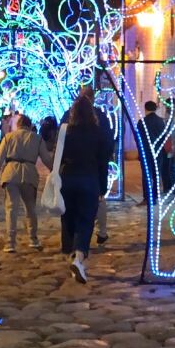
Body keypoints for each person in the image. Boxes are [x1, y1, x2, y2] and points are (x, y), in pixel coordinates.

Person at [59, 94, 112, 283]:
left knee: (68, 217)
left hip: (68, 178)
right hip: (89, 179)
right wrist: (102, 186)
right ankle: (79, 255)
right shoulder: (98, 133)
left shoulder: (66, 131)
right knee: (86, 219)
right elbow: (103, 160)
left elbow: (58, 156)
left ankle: (70, 252)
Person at [0, 114, 50, 253]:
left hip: (10, 173)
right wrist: (55, 171)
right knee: (30, 208)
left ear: (17, 125)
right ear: (30, 125)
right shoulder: (37, 138)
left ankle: (10, 242)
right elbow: (47, 159)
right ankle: (33, 239)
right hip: (29, 174)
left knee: (11, 209)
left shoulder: (9, 137)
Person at [135, 100, 167, 206]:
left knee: (147, 175)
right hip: (158, 152)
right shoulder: (160, 121)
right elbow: (164, 137)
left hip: (146, 153)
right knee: (156, 174)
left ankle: (147, 198)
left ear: (145, 109)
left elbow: (137, 138)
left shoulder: (142, 122)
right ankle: (156, 196)